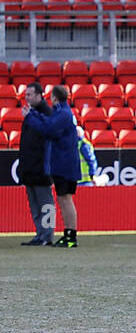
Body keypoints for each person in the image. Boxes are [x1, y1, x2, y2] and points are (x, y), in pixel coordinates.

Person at [24, 85, 82, 248]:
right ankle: (68, 234)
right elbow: (50, 124)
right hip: (64, 162)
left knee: (65, 199)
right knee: (64, 199)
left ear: (54, 98)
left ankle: (71, 236)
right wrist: (34, 114)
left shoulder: (63, 113)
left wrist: (30, 117)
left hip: (64, 162)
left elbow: (48, 129)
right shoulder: (62, 112)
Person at [17, 83, 54, 246]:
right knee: (35, 204)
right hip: (30, 167)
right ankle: (40, 234)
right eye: (26, 95)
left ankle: (47, 235)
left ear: (40, 95)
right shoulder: (31, 113)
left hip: (41, 168)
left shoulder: (46, 113)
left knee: (45, 204)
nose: (27, 98)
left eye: (30, 94)